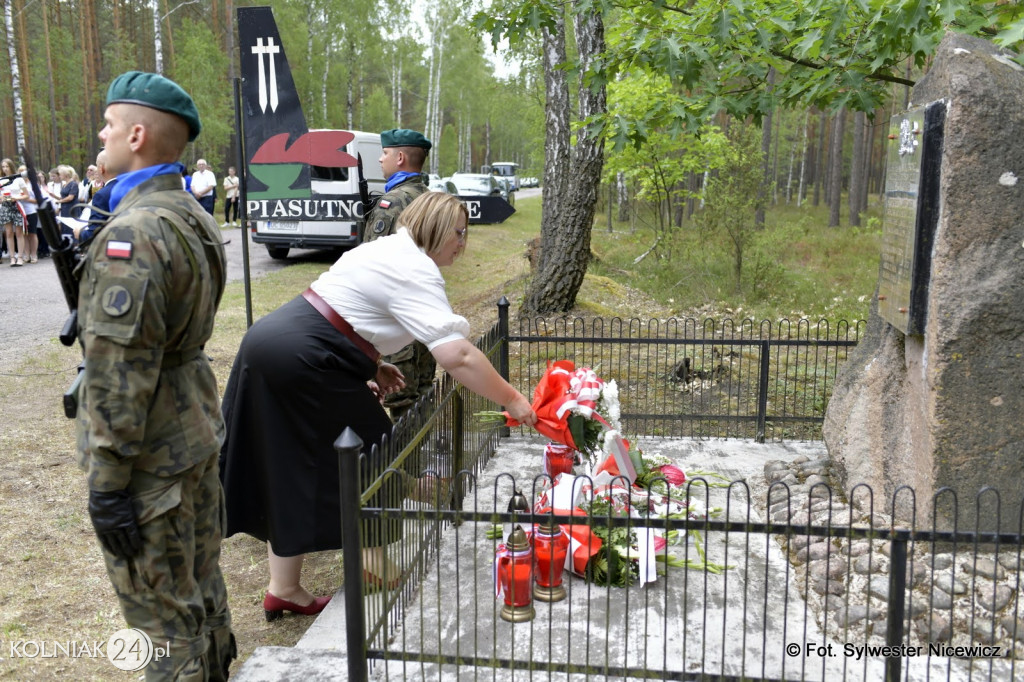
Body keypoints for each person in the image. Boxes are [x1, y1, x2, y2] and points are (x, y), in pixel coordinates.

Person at [219, 191, 537, 620]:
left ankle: (284, 588)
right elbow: (457, 356)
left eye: (467, 234)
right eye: (459, 233)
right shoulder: (414, 268)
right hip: (304, 358)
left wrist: (372, 363)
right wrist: (514, 399)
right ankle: (376, 567)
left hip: (279, 343)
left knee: (291, 464)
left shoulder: (385, 250)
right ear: (437, 227)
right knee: (374, 454)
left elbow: (344, 311)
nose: (463, 243)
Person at [77, 70, 235, 680]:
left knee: (163, 621)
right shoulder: (187, 212)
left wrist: (107, 482)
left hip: (149, 453)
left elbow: (120, 371)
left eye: (110, 124)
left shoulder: (136, 232)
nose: (102, 133)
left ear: (137, 135)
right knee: (200, 584)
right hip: (191, 428)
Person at [363, 128, 434, 418]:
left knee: (401, 400)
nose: (381, 159)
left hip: (396, 314)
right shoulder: (431, 198)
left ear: (400, 157)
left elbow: (369, 262)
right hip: (426, 311)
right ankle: (428, 457)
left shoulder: (391, 203)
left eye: (385, 153)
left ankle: (405, 465)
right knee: (424, 391)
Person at [0, 158, 25, 266]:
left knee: (19, 232)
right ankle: (12, 258)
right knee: (8, 233)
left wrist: (16, 198)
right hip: (5, 207)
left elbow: (26, 195)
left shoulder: (18, 179)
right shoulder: (1, 179)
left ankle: (20, 257)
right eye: (3, 167)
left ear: (11, 167)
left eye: (7, 166)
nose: (5, 169)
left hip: (16, 206)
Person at [12, 165, 39, 263]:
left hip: (31, 211)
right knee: (24, 234)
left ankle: (34, 255)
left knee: (32, 233)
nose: (23, 173)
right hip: (19, 211)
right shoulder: (16, 183)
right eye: (20, 171)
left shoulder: (33, 184)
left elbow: (38, 200)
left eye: (24, 171)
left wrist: (27, 199)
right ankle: (26, 255)